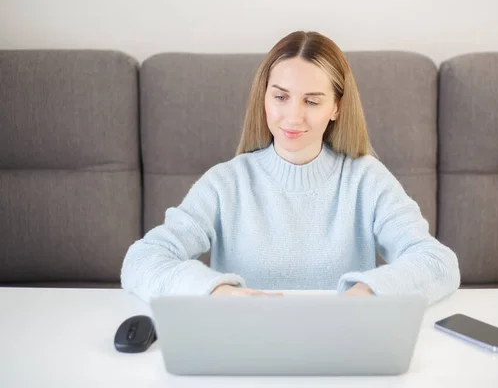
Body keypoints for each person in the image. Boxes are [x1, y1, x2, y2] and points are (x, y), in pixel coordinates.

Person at [120, 31, 460, 303]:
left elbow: (438, 262)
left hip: (340, 349)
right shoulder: (226, 183)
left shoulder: (366, 180)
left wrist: (369, 293)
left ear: (336, 107)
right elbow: (141, 260)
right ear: (263, 97)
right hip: (245, 352)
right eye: (280, 97)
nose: (293, 117)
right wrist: (215, 292)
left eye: (312, 101)